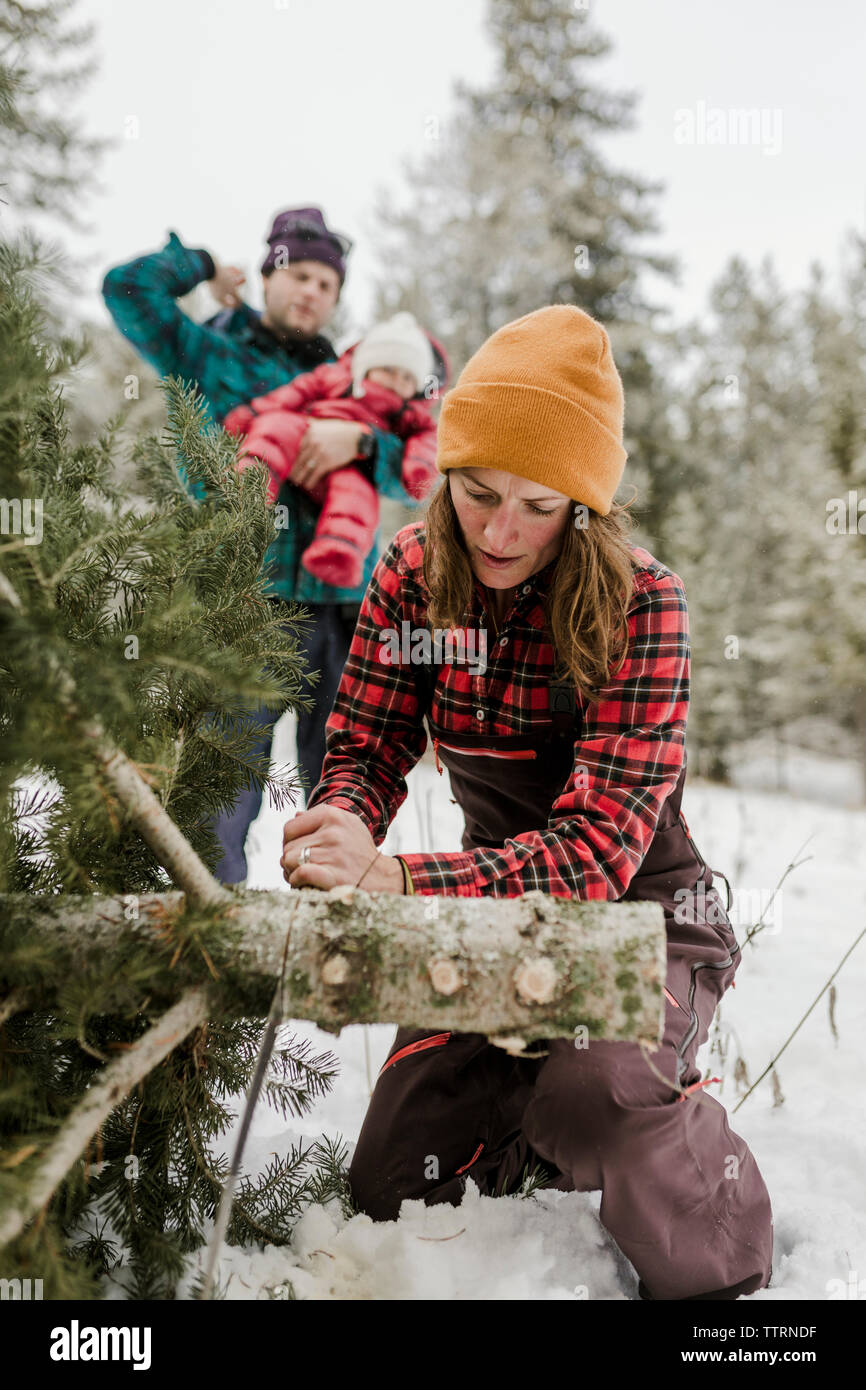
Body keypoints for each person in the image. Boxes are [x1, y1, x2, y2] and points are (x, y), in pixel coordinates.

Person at [279, 304, 774, 1302]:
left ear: (582, 506)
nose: (499, 530)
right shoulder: (411, 575)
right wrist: (342, 819)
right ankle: (532, 1109)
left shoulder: (643, 603)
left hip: (643, 914)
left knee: (591, 1095)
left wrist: (393, 877)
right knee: (390, 1181)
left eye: (538, 505)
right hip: (488, 917)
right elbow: (369, 742)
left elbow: (592, 853)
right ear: (444, 473)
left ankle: (708, 1229)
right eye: (476, 491)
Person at [102, 207, 444, 883]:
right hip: (239, 603)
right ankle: (213, 934)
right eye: (298, 272)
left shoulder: (351, 373)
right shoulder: (209, 351)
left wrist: (363, 441)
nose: (311, 290)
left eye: (327, 283)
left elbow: (426, 448)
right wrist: (198, 265)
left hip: (344, 613)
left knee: (347, 787)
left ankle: (332, 938)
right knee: (220, 794)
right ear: (265, 275)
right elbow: (127, 289)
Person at [224, 311, 446, 589]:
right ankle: (249, 488)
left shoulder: (409, 413)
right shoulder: (334, 377)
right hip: (304, 430)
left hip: (351, 468)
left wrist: (411, 465)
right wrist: (253, 414)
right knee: (274, 426)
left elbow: (426, 446)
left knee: (356, 496)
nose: (394, 382)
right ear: (367, 365)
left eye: (406, 378)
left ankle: (339, 550)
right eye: (388, 370)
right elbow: (295, 393)